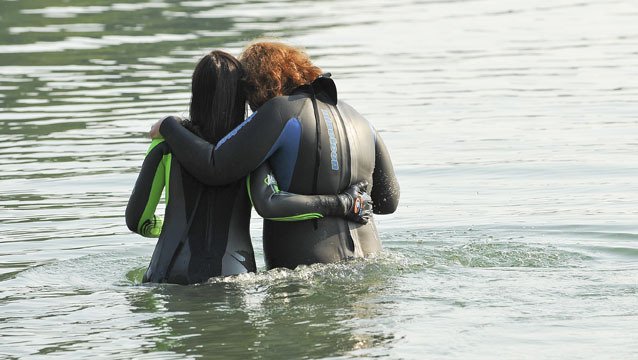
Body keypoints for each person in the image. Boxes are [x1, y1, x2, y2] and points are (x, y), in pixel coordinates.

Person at [150, 41, 400, 270]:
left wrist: (169, 126)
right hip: (370, 266)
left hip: (308, 275)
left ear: (258, 83)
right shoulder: (359, 119)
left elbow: (214, 166)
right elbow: (388, 202)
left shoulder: (280, 111)